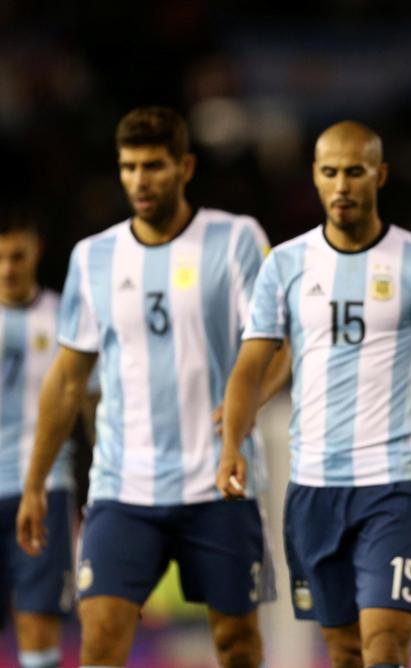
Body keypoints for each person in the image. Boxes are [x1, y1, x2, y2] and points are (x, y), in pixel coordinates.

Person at [16, 106, 288, 668]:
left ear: (185, 167)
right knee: (100, 640)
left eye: (154, 166)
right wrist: (37, 482)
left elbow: (278, 346)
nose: (140, 180)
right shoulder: (94, 256)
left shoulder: (236, 239)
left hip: (219, 484)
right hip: (123, 487)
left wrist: (244, 407)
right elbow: (66, 382)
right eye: (129, 167)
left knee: (238, 645)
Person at [218, 120, 411, 668]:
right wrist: (232, 441)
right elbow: (254, 364)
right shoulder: (286, 264)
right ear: (315, 180)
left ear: (380, 175)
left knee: (385, 641)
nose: (342, 185)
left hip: (394, 482)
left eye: (355, 171)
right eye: (330, 173)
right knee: (342, 649)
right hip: (313, 488)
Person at [0, 210, 95, 668]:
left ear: (35, 251)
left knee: (37, 626)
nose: (7, 268)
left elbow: (92, 405)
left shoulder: (64, 318)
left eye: (16, 256)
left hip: (44, 491)